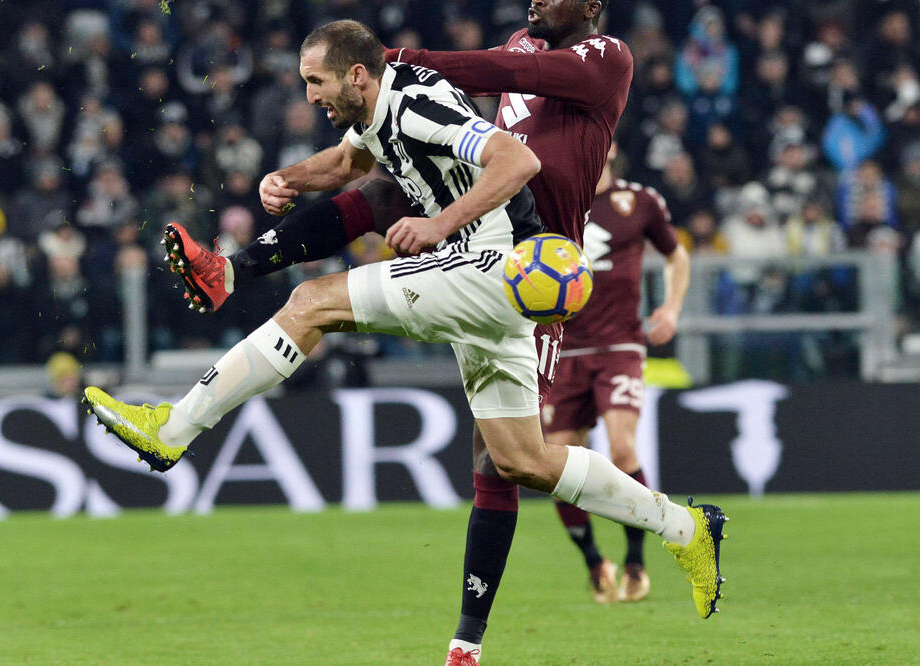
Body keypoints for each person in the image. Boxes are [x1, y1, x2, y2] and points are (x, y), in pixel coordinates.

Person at [155, 4, 728, 664]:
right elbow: (373, 143)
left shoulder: (607, 59)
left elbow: (504, 77)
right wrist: (292, 175)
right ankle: (682, 528)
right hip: (481, 229)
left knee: (498, 456)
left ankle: (470, 637)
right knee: (382, 190)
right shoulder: (496, 52)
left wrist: (404, 61)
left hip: (532, 259)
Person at [543, 142, 690, 603]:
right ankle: (593, 562)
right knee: (558, 465)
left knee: (623, 449)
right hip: (562, 351)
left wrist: (671, 307)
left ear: (611, 152)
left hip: (620, 346)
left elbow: (677, 255)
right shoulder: (550, 202)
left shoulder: (640, 202)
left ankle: (635, 562)